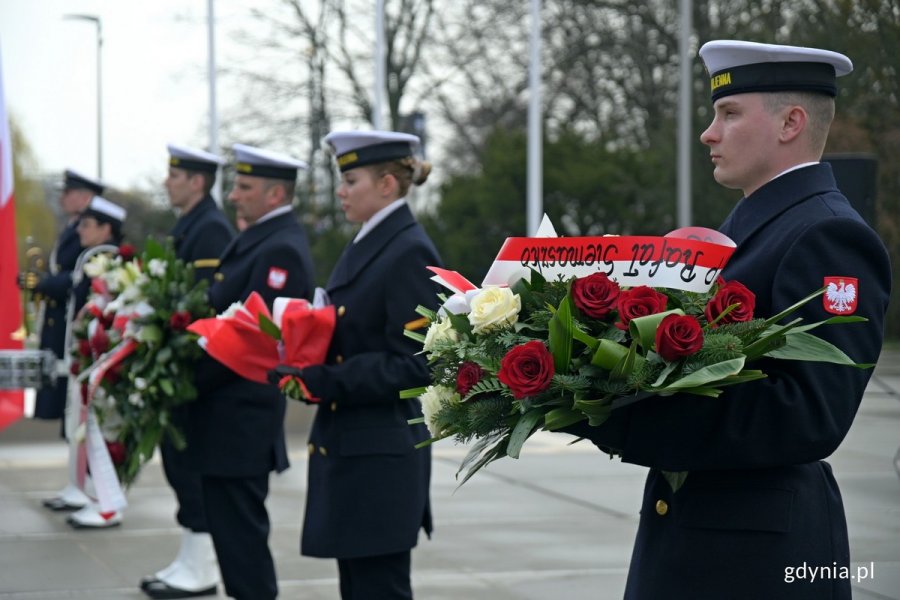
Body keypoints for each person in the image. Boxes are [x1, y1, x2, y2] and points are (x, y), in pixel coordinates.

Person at [564, 40, 891, 599]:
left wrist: (624, 416)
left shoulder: (828, 236)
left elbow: (808, 414)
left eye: (729, 113)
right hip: (707, 541)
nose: (708, 133)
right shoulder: (755, 228)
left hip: (759, 560)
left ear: (791, 122)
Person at [278, 130, 441, 600]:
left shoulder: (407, 249)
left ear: (387, 184)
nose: (341, 191)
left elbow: (415, 365)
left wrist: (325, 379)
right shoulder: (374, 241)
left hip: (380, 458)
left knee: (378, 589)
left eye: (351, 180)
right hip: (358, 451)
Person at [185, 143, 314, 600]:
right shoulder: (259, 238)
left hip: (241, 421)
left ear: (276, 195)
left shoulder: (281, 249)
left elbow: (254, 342)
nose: (234, 195)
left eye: (244, 187)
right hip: (226, 420)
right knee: (233, 543)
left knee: (243, 549)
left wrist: (186, 381)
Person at [139, 144, 235, 599]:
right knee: (180, 466)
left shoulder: (211, 228)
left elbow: (203, 304)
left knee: (190, 469)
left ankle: (201, 568)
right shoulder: (191, 225)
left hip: (195, 371)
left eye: (174, 175)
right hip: (178, 368)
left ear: (197, 181)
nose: (166, 182)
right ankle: (191, 559)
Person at [17, 170, 101, 513]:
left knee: (79, 415)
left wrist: (43, 283)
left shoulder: (92, 237)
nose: (63, 198)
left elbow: (77, 278)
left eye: (69, 193)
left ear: (84, 197)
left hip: (74, 334)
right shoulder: (74, 229)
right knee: (70, 415)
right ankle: (76, 483)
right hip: (60, 333)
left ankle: (92, 489)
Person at [65, 195, 129, 529]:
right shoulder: (92, 258)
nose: (80, 231)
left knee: (107, 431)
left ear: (107, 229)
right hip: (91, 360)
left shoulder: (113, 261)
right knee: (87, 430)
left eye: (87, 225)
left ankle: (107, 503)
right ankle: (94, 496)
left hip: (108, 361)